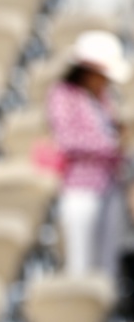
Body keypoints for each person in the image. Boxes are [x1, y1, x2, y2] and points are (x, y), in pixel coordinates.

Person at [46, 30, 130, 279]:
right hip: (81, 186)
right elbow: (68, 139)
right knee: (80, 260)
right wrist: (110, 145)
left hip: (109, 185)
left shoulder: (101, 98)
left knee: (107, 262)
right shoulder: (63, 95)